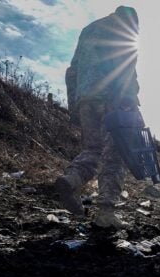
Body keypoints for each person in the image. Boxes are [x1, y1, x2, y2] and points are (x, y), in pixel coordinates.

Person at [55, 6, 141, 229]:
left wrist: (74, 104)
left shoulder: (88, 30)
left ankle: (72, 180)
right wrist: (129, 99)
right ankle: (105, 213)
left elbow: (72, 70)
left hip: (85, 98)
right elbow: (125, 69)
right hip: (111, 99)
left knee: (92, 149)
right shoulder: (123, 31)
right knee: (116, 154)